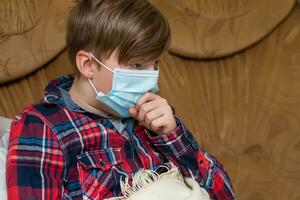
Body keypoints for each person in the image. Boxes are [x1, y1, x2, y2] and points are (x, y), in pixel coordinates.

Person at [6, 0, 235, 199]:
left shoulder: (155, 120)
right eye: (136, 65)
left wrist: (172, 136)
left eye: (155, 64)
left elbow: (224, 194)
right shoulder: (44, 127)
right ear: (88, 65)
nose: (149, 77)